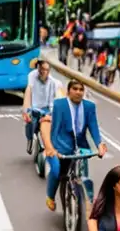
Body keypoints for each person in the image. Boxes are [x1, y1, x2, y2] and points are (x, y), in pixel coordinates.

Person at [42, 80, 107, 211]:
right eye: (75, 89)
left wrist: (99, 144)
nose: (78, 92)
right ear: (69, 91)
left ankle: (86, 203)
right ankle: (50, 196)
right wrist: (52, 149)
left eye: (81, 90)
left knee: (84, 176)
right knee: (56, 171)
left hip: (81, 147)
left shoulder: (89, 107)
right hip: (60, 146)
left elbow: (93, 127)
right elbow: (54, 129)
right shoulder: (59, 105)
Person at [22, 59, 62, 151]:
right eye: (42, 69)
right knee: (30, 122)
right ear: (38, 68)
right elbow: (28, 91)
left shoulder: (54, 82)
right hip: (34, 108)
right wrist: (26, 109)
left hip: (48, 109)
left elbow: (59, 97)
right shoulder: (32, 76)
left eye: (46, 70)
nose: (44, 72)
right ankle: (30, 139)